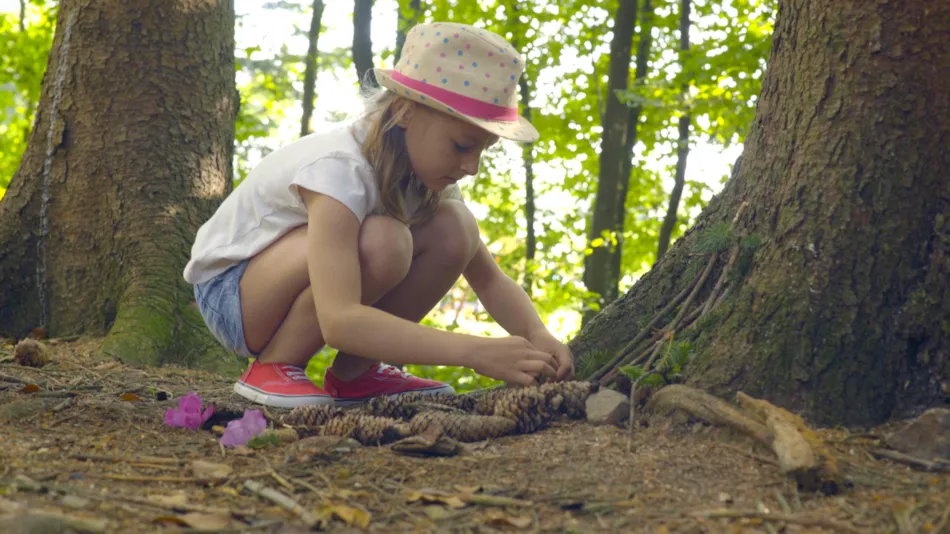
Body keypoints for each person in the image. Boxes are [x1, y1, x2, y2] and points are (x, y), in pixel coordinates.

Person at [183, 21, 574, 409]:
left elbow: (488, 280)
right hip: (232, 294)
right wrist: (475, 352)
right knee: (386, 241)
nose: (472, 166)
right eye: (461, 145)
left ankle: (357, 373)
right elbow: (338, 320)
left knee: (456, 228)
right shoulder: (340, 168)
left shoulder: (424, 178)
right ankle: (275, 365)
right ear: (404, 111)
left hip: (290, 285)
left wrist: (537, 333)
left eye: (481, 151)